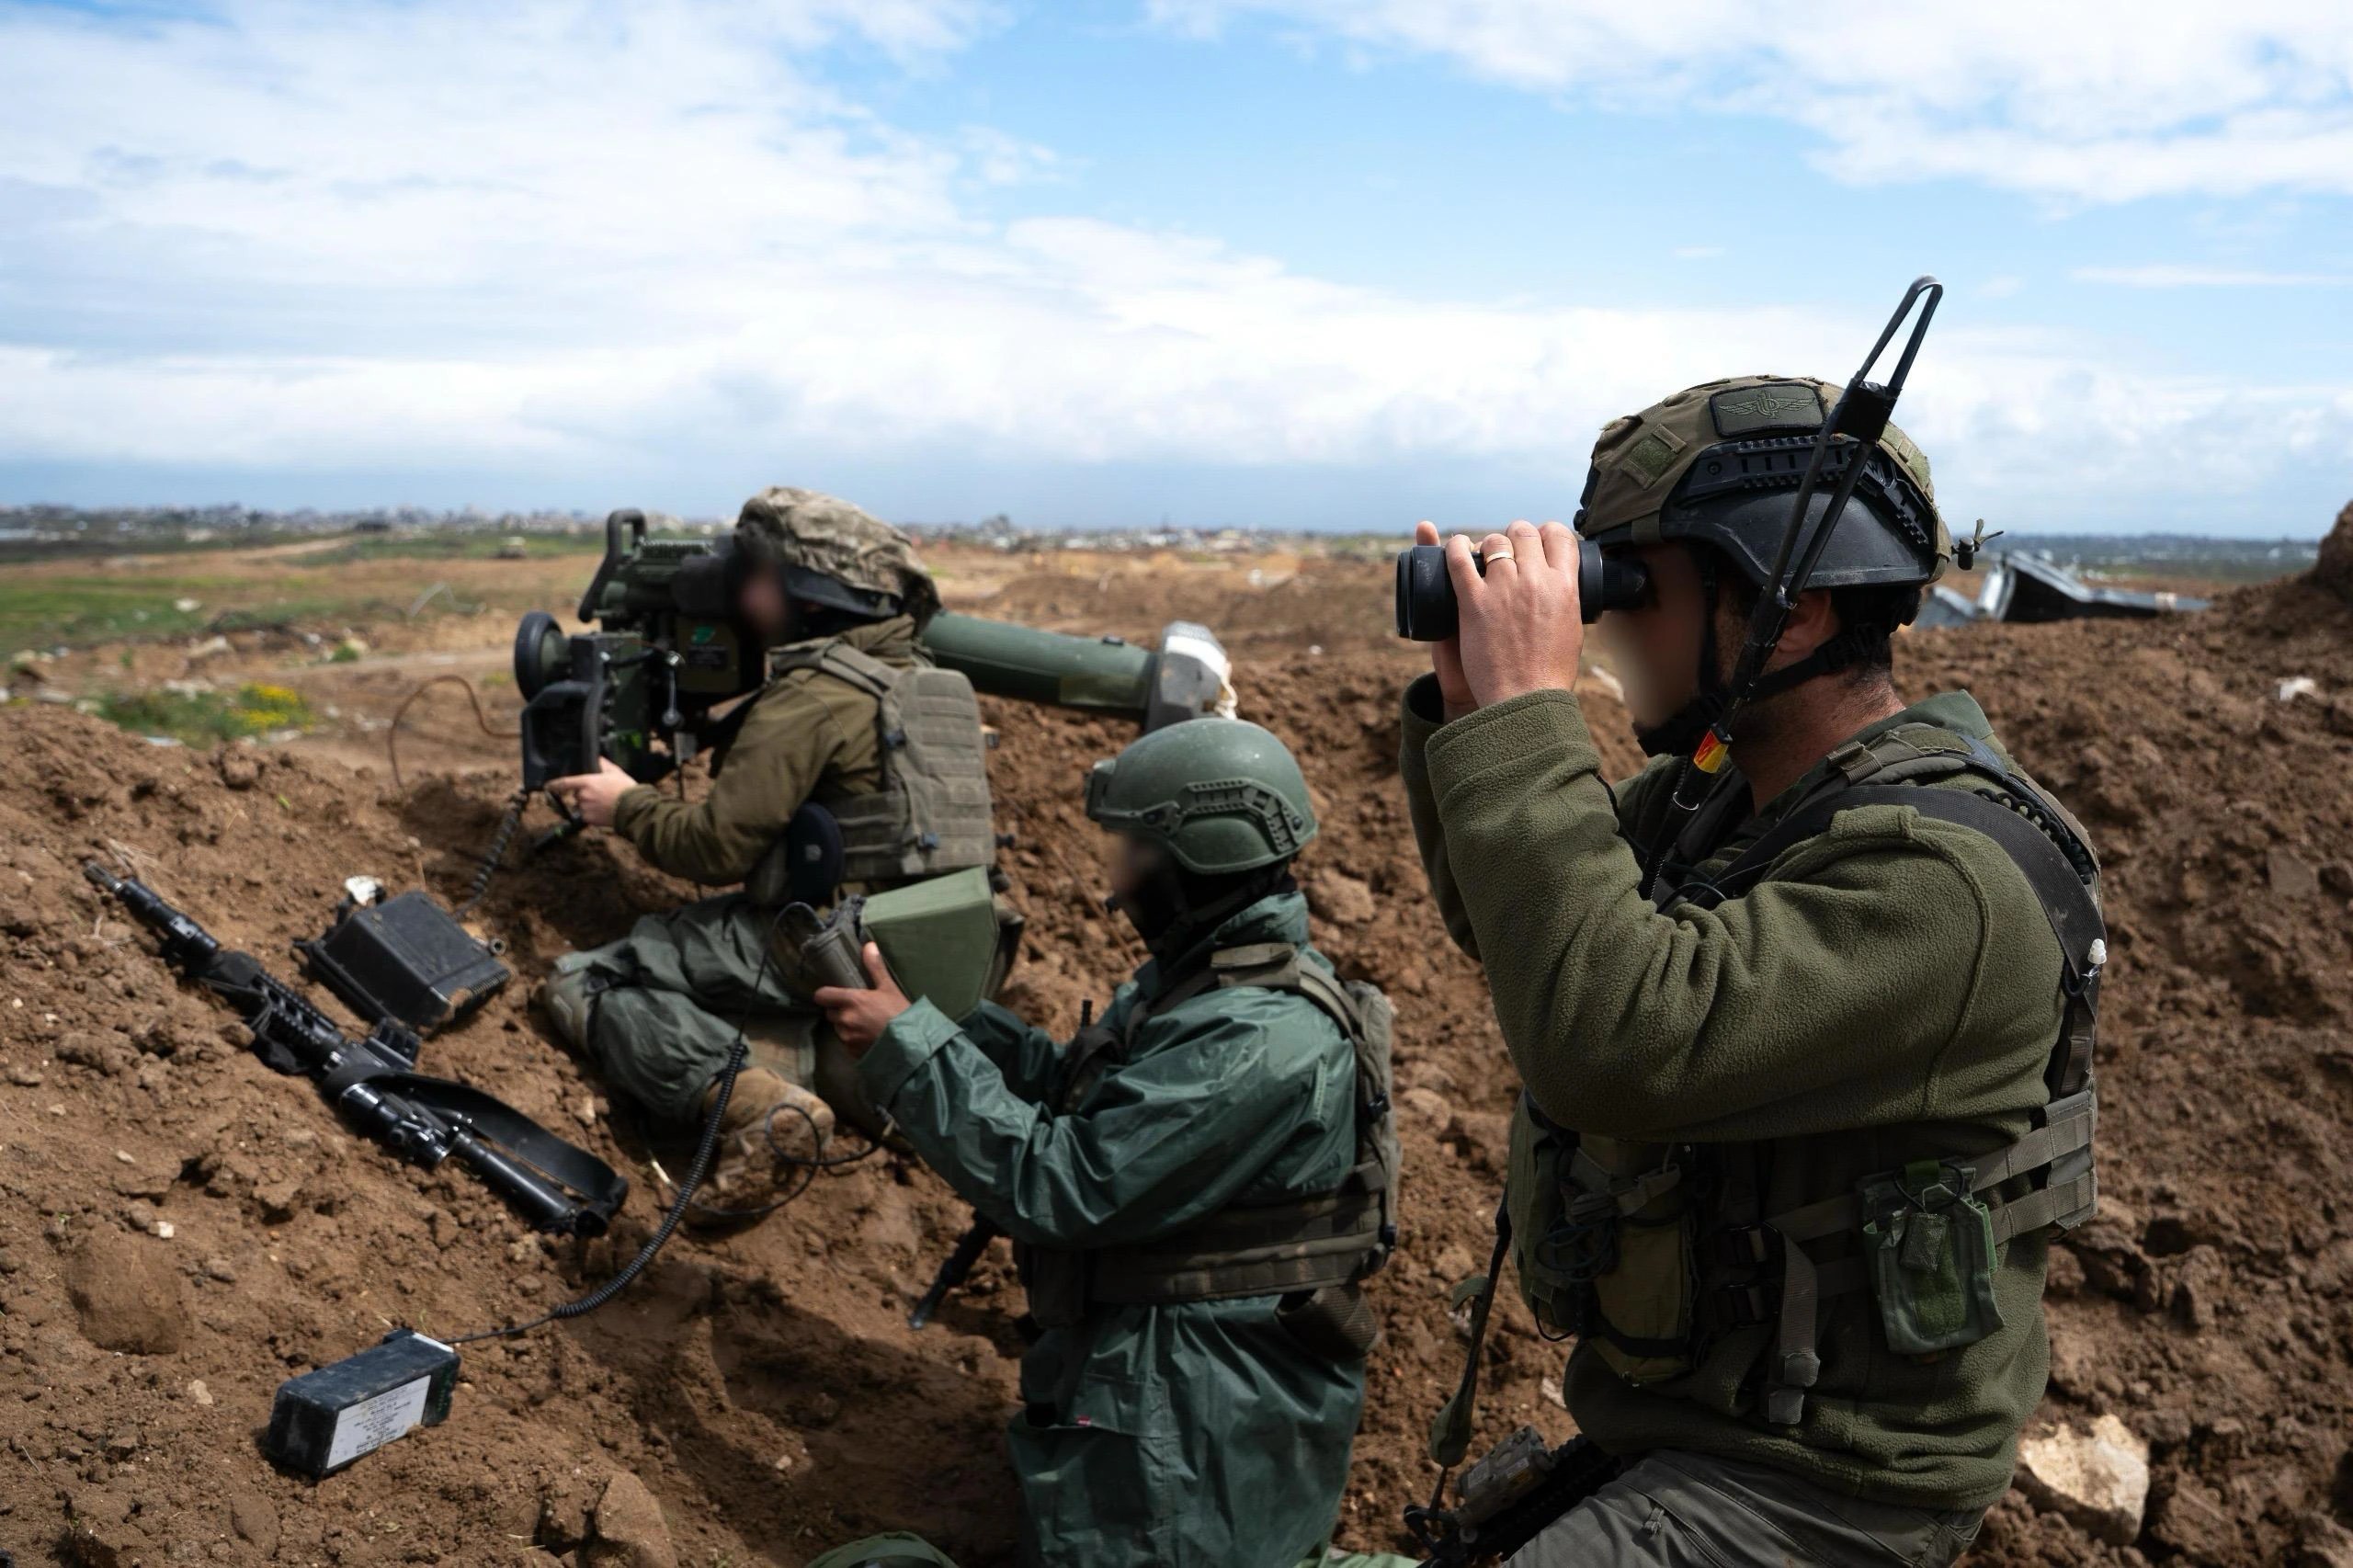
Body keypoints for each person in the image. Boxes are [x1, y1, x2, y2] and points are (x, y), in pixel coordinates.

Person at [1399, 377, 2103, 1566]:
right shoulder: (1732, 803)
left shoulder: (1948, 877)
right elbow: (1523, 924)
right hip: (1703, 1428)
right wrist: (1474, 707)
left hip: (1828, 1490)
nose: (1612, 625)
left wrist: (1534, 711)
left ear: (1795, 609)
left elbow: (1611, 1036)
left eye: (1644, 585)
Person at [815, 719, 1405, 1568]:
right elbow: (1075, 1088)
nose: (1116, 876)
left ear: (1191, 861)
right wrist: (936, 1014)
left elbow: (1065, 1183)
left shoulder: (1256, 1037)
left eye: (1132, 850)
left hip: (1193, 1422)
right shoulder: (1206, 982)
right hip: (1173, 1382)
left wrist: (914, 1049)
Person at [537, 486, 995, 1212]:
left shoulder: (812, 695)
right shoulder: (935, 688)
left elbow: (713, 848)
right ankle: (811, 1068)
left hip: (826, 944)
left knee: (589, 980)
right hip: (935, 952)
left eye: (758, 577)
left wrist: (622, 805)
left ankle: (756, 1107)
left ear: (811, 595)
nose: (741, 594)